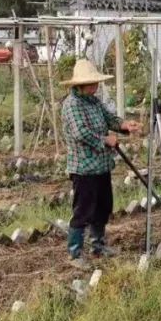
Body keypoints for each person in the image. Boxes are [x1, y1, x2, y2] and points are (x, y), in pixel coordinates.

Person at [60, 59, 141, 270]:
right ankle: (75, 252)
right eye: (91, 83)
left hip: (101, 165)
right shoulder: (72, 105)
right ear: (80, 85)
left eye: (95, 83)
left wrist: (125, 125)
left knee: (103, 207)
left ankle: (98, 245)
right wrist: (105, 140)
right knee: (83, 210)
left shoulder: (94, 102)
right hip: (84, 168)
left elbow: (109, 118)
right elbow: (81, 133)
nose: (95, 87)